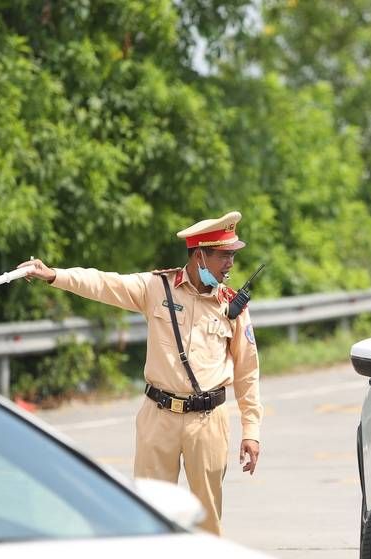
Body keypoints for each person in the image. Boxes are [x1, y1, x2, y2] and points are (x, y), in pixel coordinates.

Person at [18, 211, 262, 535]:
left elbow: (247, 372)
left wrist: (251, 431)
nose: (230, 263)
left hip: (208, 422)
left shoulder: (232, 306)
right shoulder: (156, 287)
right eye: (224, 255)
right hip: (158, 416)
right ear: (200, 254)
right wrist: (53, 275)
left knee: (207, 518)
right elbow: (104, 283)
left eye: (232, 255)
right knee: (148, 512)